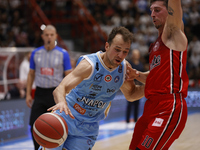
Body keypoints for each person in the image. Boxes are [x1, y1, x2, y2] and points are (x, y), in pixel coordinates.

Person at [38, 26, 144, 150]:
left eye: (125, 51)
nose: (120, 55)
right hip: (66, 117)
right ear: (107, 46)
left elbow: (131, 94)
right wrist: (61, 103)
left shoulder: (124, 69)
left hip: (88, 128)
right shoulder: (89, 65)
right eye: (117, 49)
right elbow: (60, 88)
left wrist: (154, 87)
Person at [127, 0, 189, 149]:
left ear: (169, 11)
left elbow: (175, 7)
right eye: (151, 10)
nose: (152, 14)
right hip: (150, 107)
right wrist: (136, 75)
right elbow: (155, 77)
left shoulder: (173, 34)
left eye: (157, 10)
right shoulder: (155, 45)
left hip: (169, 106)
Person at [26, 24, 72, 150]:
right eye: (46, 35)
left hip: (56, 93)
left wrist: (67, 95)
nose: (49, 37)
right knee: (33, 124)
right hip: (40, 93)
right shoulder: (35, 53)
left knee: (59, 125)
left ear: (56, 36)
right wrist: (28, 94)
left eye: (51, 35)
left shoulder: (63, 54)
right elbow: (31, 74)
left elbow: (69, 76)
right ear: (42, 37)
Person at [126, 49, 144, 128]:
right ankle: (127, 121)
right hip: (131, 86)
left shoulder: (140, 64)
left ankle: (135, 120)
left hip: (139, 87)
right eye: (134, 54)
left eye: (137, 54)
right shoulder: (130, 64)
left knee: (137, 104)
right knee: (130, 104)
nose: (135, 55)